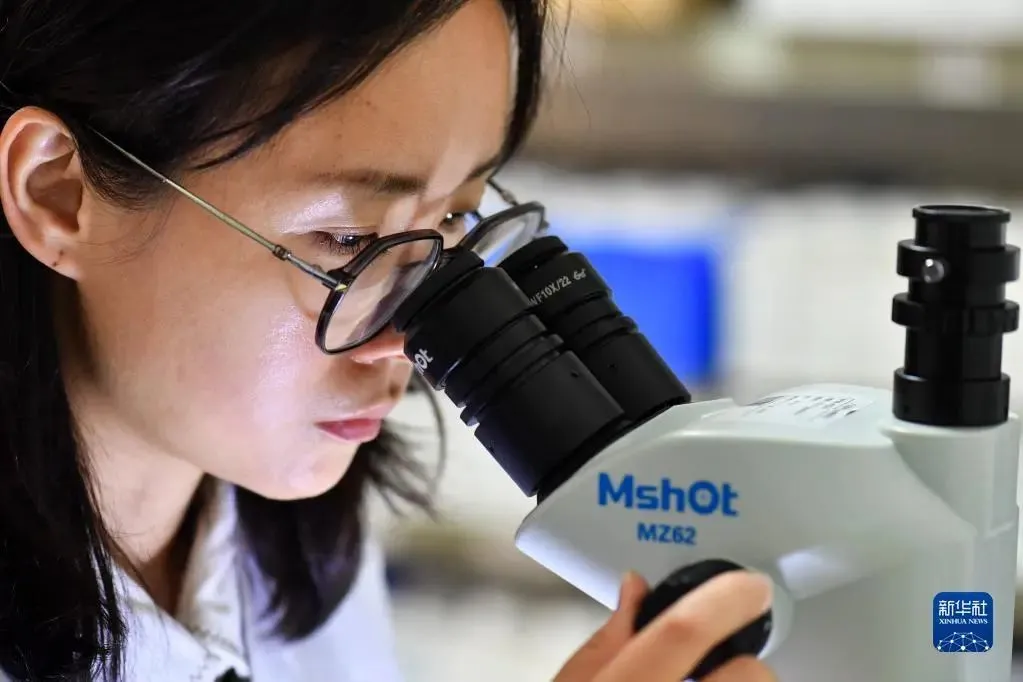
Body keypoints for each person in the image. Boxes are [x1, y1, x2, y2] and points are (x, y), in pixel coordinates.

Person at [0, 1, 778, 680]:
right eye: (349, 239)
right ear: (56, 191)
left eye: (453, 219)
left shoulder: (294, 556)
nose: (411, 342)